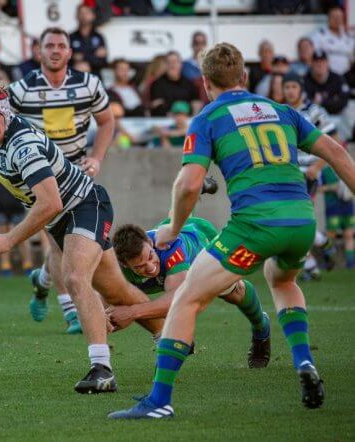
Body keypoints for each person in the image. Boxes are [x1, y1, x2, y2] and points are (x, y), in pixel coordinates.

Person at [109, 42, 355, 420]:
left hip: (254, 227)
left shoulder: (209, 118)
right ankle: (304, 362)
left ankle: (159, 401)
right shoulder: (282, 111)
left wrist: (172, 229)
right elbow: (337, 153)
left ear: (205, 83)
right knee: (281, 278)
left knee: (188, 296)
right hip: (302, 221)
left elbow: (189, 185)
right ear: (244, 77)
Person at [0, 80, 164, 394]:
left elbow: (51, 202)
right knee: (117, 291)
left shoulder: (23, 143)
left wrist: (9, 240)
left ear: (5, 112)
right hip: (60, 218)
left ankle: (102, 369)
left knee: (74, 277)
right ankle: (170, 339)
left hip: (85, 205)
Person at [8, 27, 115, 334]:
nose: (55, 50)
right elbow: (0, 125)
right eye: (49, 45)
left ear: (70, 52)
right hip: (40, 173)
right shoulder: (22, 89)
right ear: (38, 52)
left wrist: (96, 157)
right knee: (58, 242)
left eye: (61, 45)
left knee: (69, 243)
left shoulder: (88, 84)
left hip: (78, 170)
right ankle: (70, 310)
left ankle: (42, 282)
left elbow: (107, 121)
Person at [109, 217, 271, 368]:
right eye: (139, 266)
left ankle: (261, 329)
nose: (151, 267)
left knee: (235, 291)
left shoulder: (170, 246)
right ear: (123, 264)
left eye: (150, 256)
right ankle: (166, 338)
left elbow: (179, 299)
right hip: (172, 270)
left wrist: (131, 313)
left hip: (201, 250)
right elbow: (99, 297)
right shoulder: (112, 266)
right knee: (126, 296)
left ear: (150, 243)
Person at [282, 72, 339, 279]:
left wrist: (318, 167)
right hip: (287, 175)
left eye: (293, 87)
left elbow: (335, 140)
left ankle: (310, 267)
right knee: (291, 220)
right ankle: (320, 247)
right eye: (286, 87)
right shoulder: (280, 112)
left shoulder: (314, 111)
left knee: (296, 219)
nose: (289, 91)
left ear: (301, 89)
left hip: (308, 174)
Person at [0, 172, 34, 277]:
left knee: (22, 235)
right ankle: (5, 267)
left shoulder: (15, 166)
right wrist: (1, 197)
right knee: (2, 236)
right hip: (0, 207)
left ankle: (28, 266)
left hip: (18, 206)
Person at [319, 166, 354, 268]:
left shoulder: (348, 166)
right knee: (331, 235)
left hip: (348, 206)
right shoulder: (325, 170)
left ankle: (351, 263)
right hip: (333, 207)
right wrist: (332, 187)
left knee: (349, 234)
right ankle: (328, 261)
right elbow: (318, 188)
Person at [149, 51, 201, 116]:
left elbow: (196, 103)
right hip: (166, 121)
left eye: (175, 62)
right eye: (169, 62)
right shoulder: (157, 84)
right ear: (165, 65)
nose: (172, 65)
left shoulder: (189, 84)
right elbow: (157, 106)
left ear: (181, 64)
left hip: (187, 120)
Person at [311, 6, 354, 76]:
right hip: (328, 75)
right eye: (334, 17)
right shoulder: (320, 35)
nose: (337, 20)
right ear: (328, 19)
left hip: (348, 74)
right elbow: (313, 56)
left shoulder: (349, 36)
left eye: (339, 17)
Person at [304, 50, 349, 115]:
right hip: (313, 117)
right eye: (316, 62)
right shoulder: (306, 79)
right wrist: (332, 100)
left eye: (323, 62)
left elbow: (343, 101)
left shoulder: (337, 78)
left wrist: (322, 101)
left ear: (328, 63)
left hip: (337, 115)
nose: (320, 65)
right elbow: (305, 102)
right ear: (311, 64)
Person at [70, 5, 108, 76]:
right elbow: (67, 59)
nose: (84, 16)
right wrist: (94, 55)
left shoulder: (99, 37)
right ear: (77, 16)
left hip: (95, 78)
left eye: (87, 13)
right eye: (81, 13)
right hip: (75, 78)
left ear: (93, 16)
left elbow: (103, 61)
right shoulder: (71, 37)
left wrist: (82, 57)